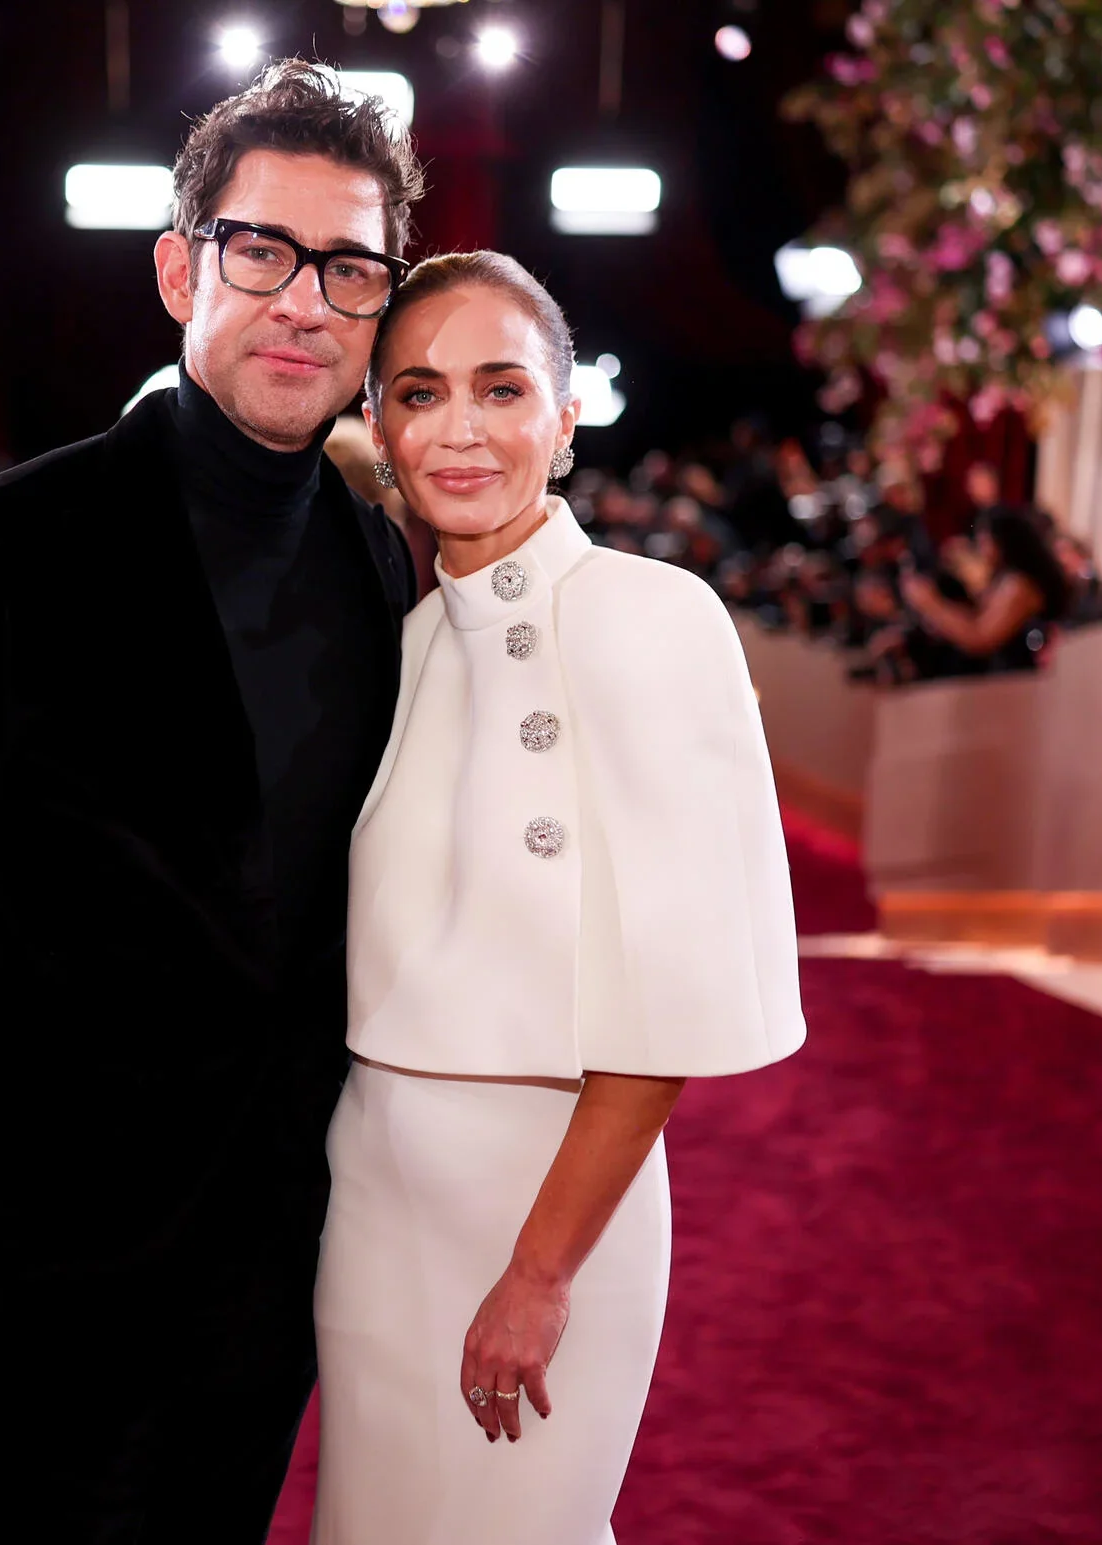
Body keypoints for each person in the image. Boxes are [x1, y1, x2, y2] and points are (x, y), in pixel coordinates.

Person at [0, 61, 422, 1544]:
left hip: (284, 1240)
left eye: (349, 269)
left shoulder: (386, 568)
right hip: (48, 1246)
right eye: (262, 250)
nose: (302, 302)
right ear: (181, 267)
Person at [314, 252, 805, 1543]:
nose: (458, 430)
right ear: (380, 426)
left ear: (568, 414)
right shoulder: (401, 646)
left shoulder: (658, 619)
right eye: (417, 394)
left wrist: (539, 1272)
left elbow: (668, 1003)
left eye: (501, 388)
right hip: (371, 1194)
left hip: (548, 1206)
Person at [900, 504, 1072, 670]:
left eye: (984, 543)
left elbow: (980, 638)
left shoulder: (1019, 585)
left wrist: (930, 603)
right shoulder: (1004, 578)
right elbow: (974, 616)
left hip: (1014, 682)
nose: (981, 551)